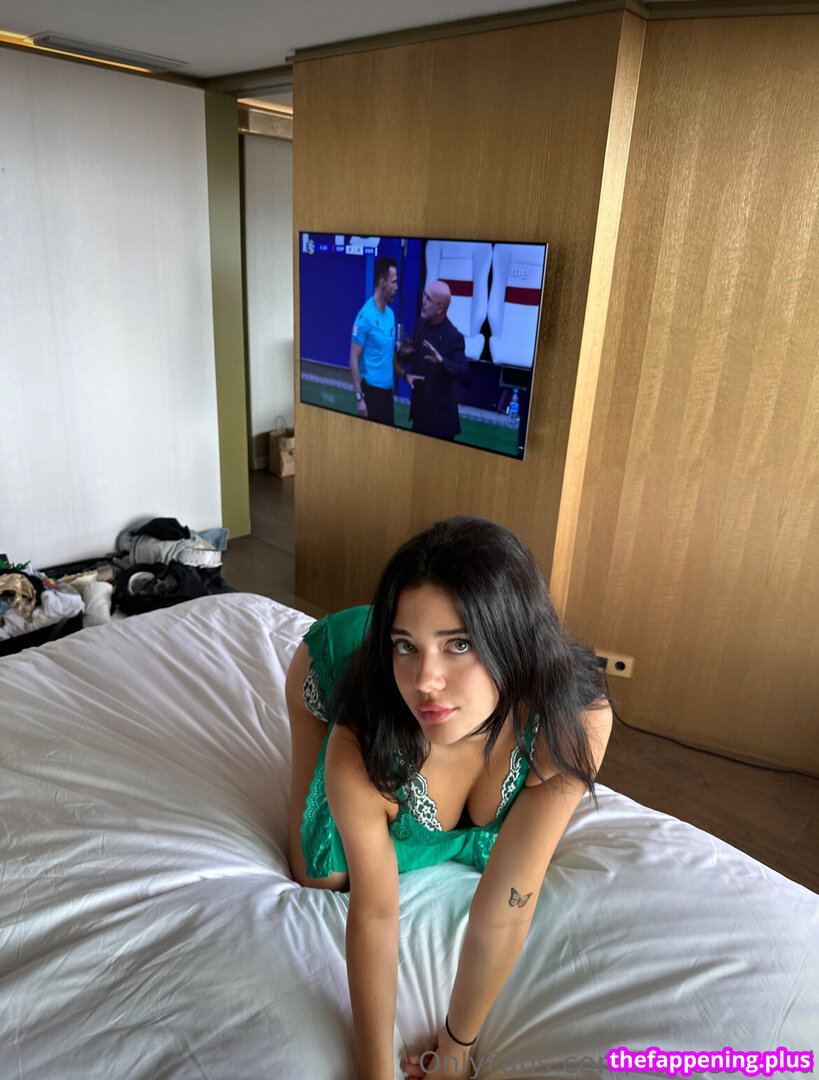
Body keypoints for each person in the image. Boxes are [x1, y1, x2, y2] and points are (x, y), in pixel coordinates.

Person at [285, 517, 612, 1080]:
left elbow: (508, 907)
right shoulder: (358, 744)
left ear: (514, 639)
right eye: (405, 645)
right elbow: (375, 913)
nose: (426, 680)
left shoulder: (574, 721)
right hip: (336, 669)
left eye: (459, 644)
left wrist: (457, 1047)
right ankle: (376, 634)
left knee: (500, 860)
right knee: (322, 874)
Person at [397, 280, 470, 440]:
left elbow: (465, 374)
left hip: (440, 423)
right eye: (425, 295)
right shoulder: (420, 324)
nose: (423, 301)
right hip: (419, 415)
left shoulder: (453, 337)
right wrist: (404, 353)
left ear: (440, 308)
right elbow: (416, 358)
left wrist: (442, 361)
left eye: (429, 299)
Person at [350, 256, 401, 426]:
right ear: (382, 283)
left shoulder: (391, 315)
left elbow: (389, 354)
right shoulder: (365, 316)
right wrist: (359, 398)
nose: (396, 287)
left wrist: (404, 374)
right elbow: (353, 359)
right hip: (371, 395)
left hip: (388, 395)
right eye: (393, 282)